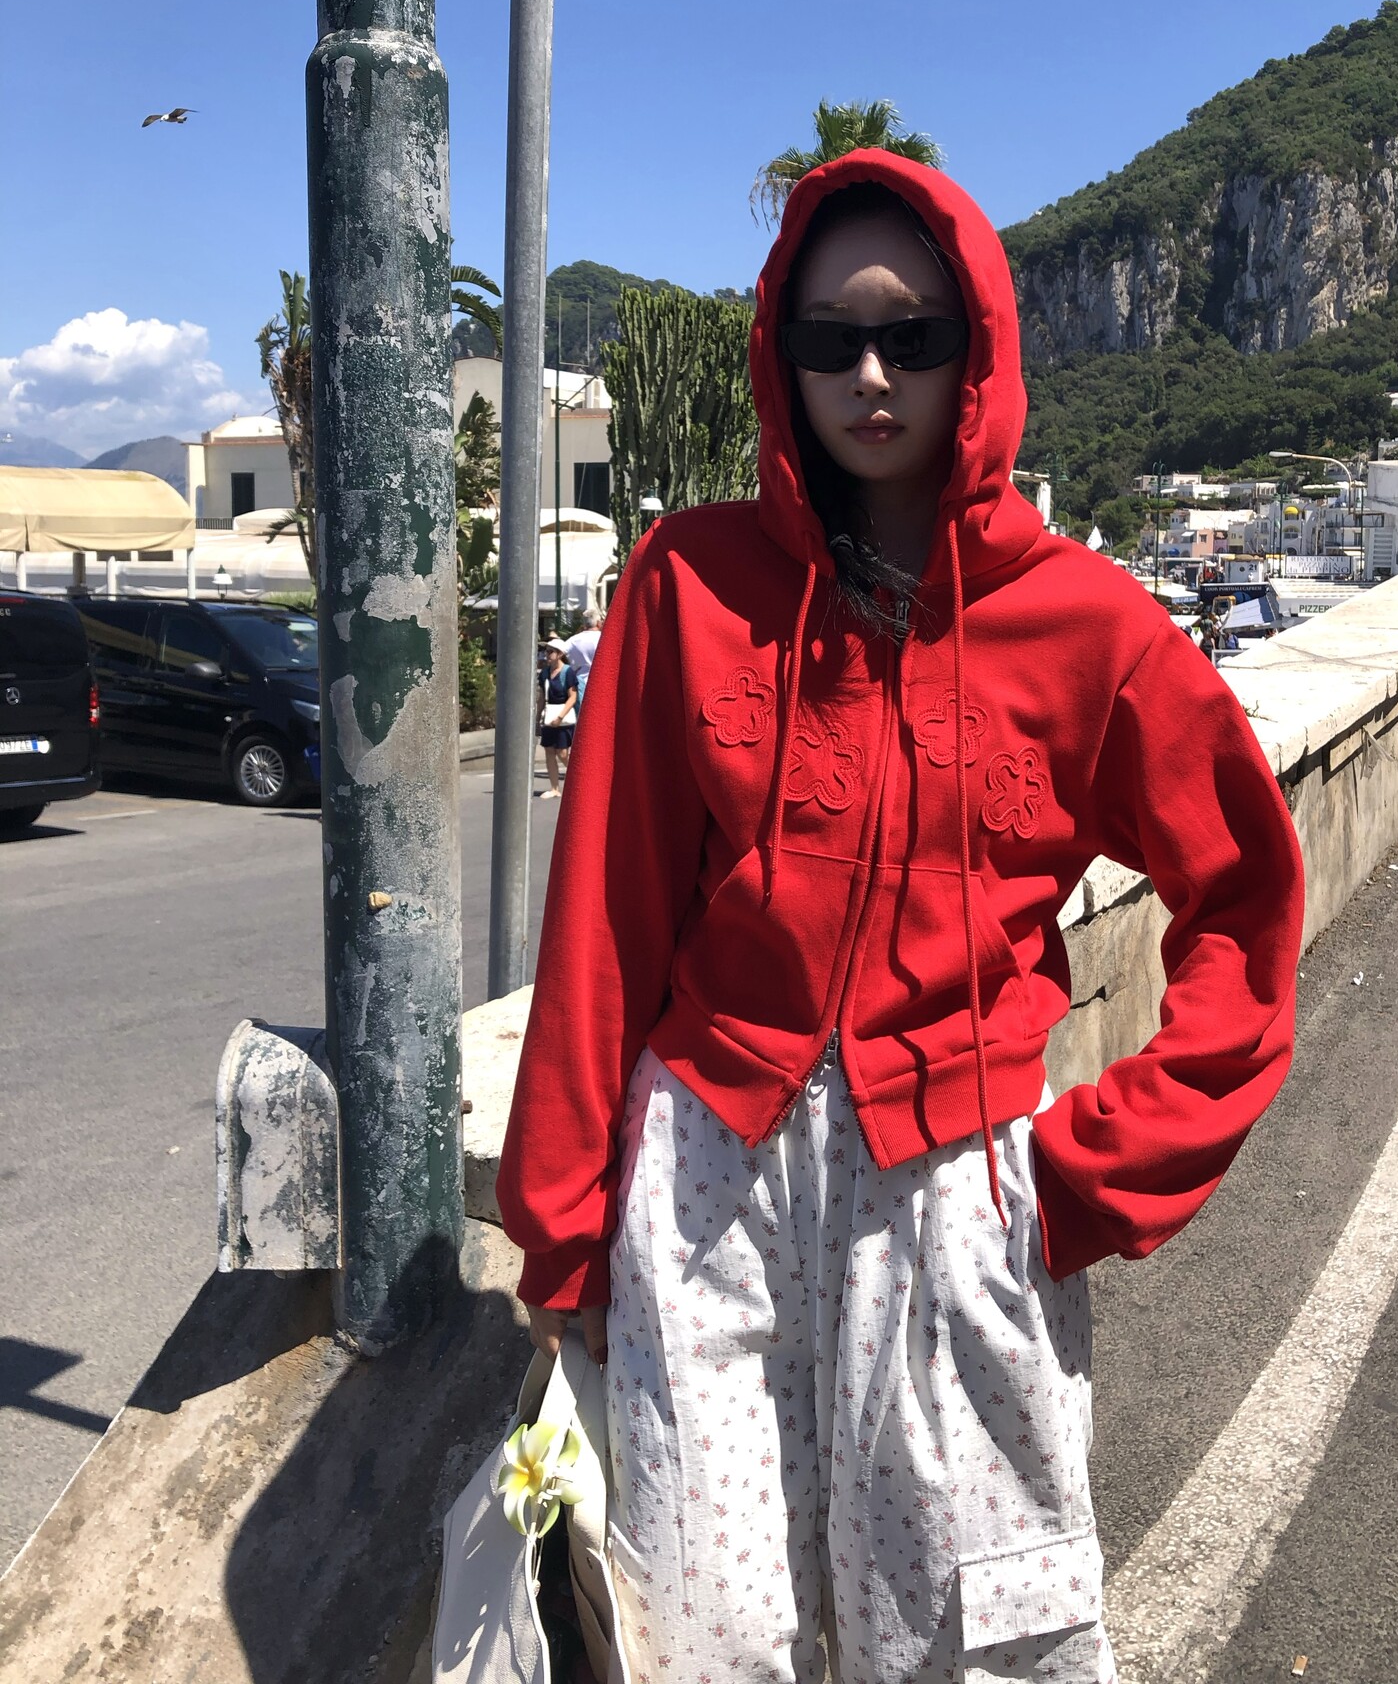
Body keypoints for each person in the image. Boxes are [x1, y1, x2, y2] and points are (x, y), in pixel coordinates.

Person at [499, 154, 1303, 1682]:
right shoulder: (685, 584)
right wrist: (564, 1228)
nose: (871, 376)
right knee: (704, 1640)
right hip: (706, 1184)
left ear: (976, 349)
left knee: (963, 1644)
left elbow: (1245, 901)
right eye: (831, 339)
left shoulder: (1090, 628)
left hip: (958, 1195)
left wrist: (1094, 1170)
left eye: (913, 337)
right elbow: (606, 916)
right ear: (782, 353)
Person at [535, 637, 578, 798]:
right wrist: (538, 718)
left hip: (563, 716)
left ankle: (579, 778)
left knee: (562, 753)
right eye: (546, 651)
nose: (547, 655)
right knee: (549, 751)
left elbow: (572, 697)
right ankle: (554, 788)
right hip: (549, 715)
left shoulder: (567, 672)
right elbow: (542, 697)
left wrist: (560, 717)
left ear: (560, 654)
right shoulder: (545, 673)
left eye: (550, 651)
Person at [564, 606, 603, 709]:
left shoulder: (572, 641)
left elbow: (561, 654)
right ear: (599, 623)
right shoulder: (604, 639)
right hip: (601, 685)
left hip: (579, 686)